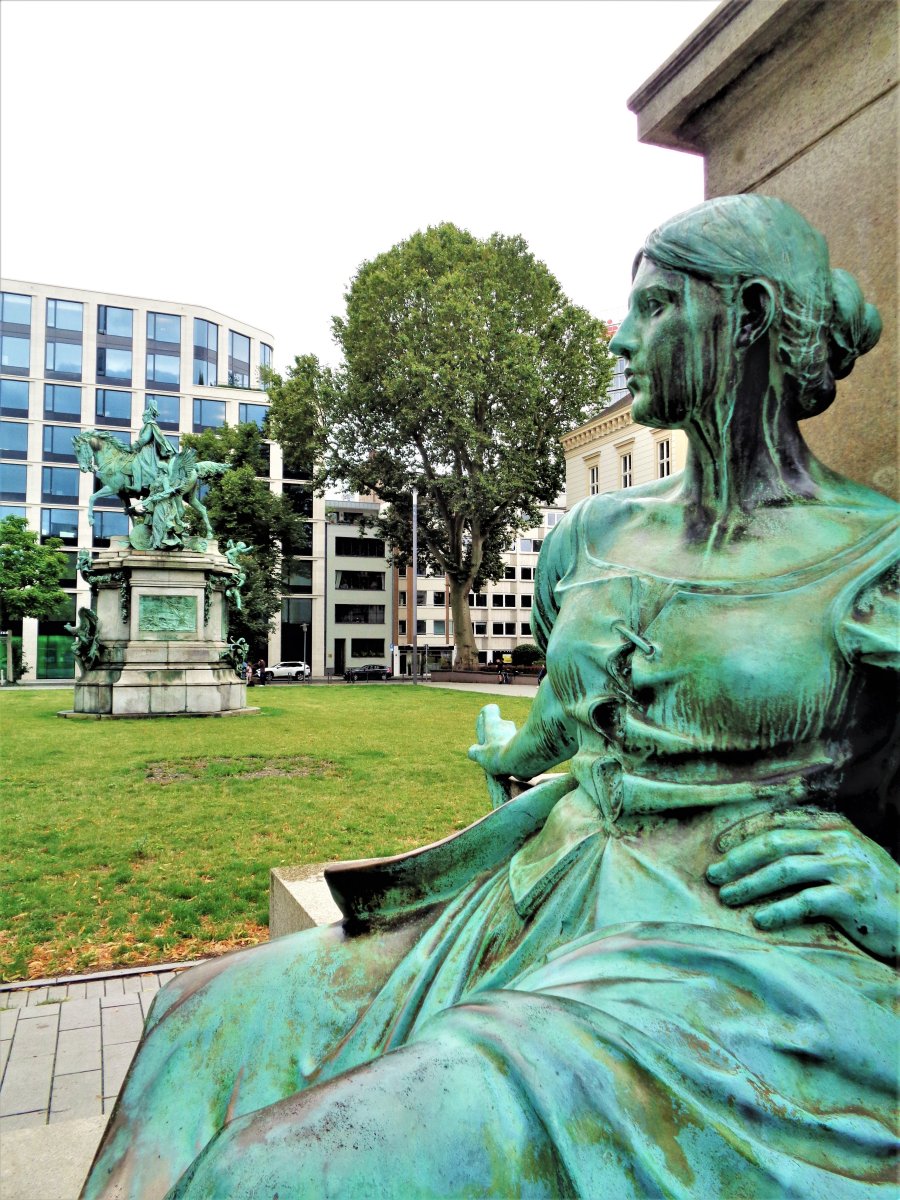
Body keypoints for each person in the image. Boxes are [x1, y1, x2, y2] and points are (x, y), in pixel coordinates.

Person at [83, 196, 899, 1200]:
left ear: (754, 316)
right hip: (546, 893)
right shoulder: (589, 540)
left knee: (277, 1174)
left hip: (731, 956)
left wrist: (891, 895)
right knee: (195, 1017)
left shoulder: (880, 559)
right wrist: (517, 759)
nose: (619, 337)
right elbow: (583, 739)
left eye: (652, 309)